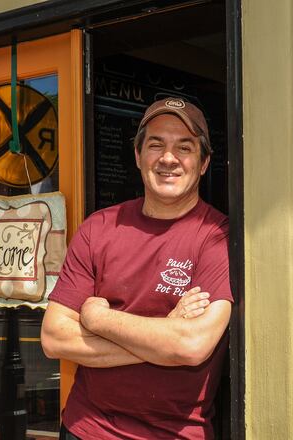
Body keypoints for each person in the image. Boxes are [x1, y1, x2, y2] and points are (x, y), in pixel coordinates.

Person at [41, 97, 233, 440]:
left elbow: (191, 346)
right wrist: (163, 335)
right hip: (85, 429)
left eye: (184, 147)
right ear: (137, 156)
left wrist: (98, 320)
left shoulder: (218, 236)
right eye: (156, 144)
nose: (168, 158)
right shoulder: (98, 228)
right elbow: (54, 338)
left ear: (203, 163)